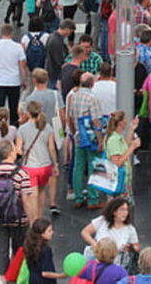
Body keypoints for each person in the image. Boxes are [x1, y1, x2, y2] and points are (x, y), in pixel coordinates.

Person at [0, 139, 35, 277]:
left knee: (1, 250)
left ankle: (3, 278)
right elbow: (26, 200)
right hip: (18, 219)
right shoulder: (21, 174)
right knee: (19, 250)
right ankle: (16, 277)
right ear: (12, 153)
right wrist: (32, 220)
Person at [68, 72, 105, 209]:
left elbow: (70, 117)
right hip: (91, 138)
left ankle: (78, 197)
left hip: (79, 135)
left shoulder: (74, 96)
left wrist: (74, 132)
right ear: (92, 83)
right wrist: (100, 140)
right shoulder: (92, 98)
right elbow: (96, 121)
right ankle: (93, 199)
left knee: (78, 166)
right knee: (93, 166)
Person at [17, 100, 59, 219]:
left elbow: (19, 150)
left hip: (30, 166)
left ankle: (33, 221)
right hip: (45, 165)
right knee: (41, 192)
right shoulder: (47, 127)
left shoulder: (22, 129)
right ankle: (39, 218)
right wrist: (55, 164)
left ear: (28, 113)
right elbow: (51, 148)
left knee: (32, 195)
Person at [0, 23, 30, 119]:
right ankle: (14, 125)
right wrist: (24, 80)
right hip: (14, 81)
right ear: (12, 33)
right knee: (13, 107)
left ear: (1, 33)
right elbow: (23, 65)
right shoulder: (18, 47)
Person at [81, 197, 140, 265]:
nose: (125, 213)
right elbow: (85, 232)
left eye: (126, 210)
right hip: (96, 261)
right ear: (114, 211)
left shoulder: (130, 229)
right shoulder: (102, 221)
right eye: (122, 210)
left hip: (116, 264)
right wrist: (96, 245)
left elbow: (136, 247)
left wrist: (130, 248)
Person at [25, 218, 65, 284]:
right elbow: (45, 273)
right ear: (42, 234)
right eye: (49, 231)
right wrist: (61, 275)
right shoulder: (46, 250)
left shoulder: (29, 246)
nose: (52, 232)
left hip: (33, 279)